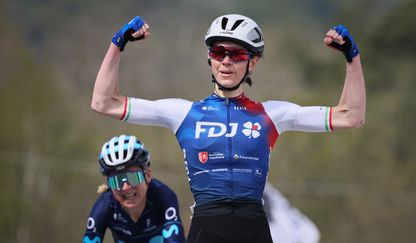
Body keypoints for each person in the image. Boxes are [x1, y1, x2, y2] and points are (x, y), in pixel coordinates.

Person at [91, 14, 365, 243]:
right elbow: (104, 102)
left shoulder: (272, 113)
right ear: (209, 58)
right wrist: (118, 44)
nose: (226, 61)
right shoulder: (184, 112)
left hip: (254, 226)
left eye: (236, 54)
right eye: (218, 52)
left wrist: (352, 58)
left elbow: (350, 116)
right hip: (207, 226)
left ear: (252, 62)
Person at [82, 135, 186, 243]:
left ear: (148, 175)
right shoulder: (105, 206)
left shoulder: (163, 196)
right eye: (116, 181)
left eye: (133, 177)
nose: (126, 187)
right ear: (108, 184)